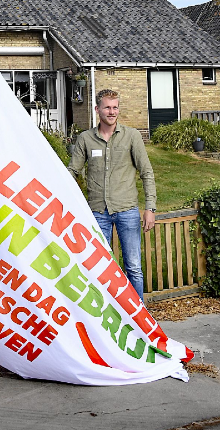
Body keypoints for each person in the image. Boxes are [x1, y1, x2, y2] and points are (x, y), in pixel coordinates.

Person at [68, 88, 156, 301]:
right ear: (97, 109)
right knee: (101, 268)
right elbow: (73, 172)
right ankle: (107, 315)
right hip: (98, 212)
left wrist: (150, 208)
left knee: (133, 267)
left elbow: (146, 172)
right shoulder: (86, 139)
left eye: (115, 107)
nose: (112, 111)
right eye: (107, 107)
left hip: (127, 210)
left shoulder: (132, 136)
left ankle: (138, 316)